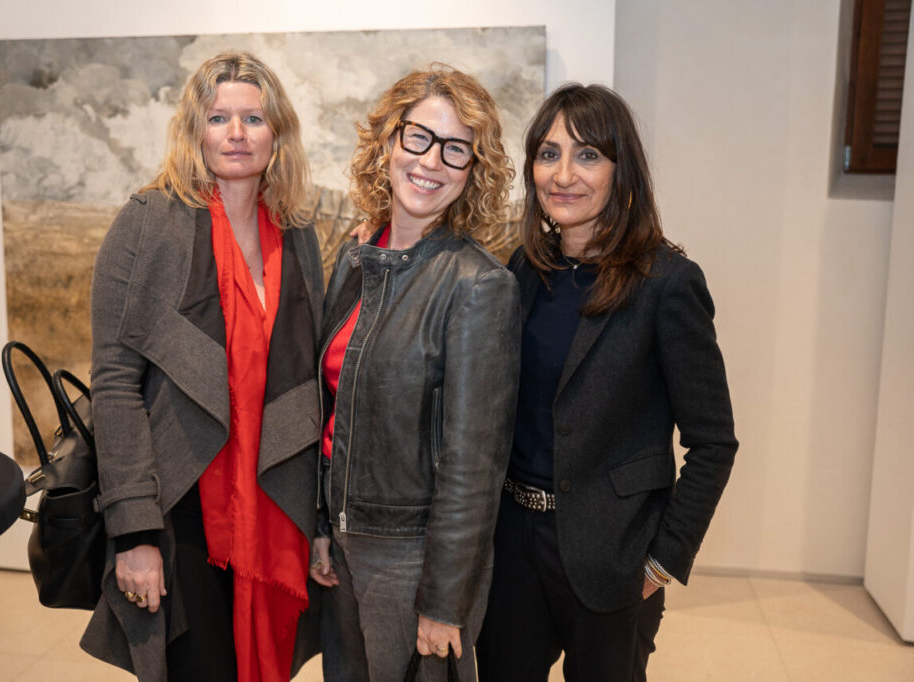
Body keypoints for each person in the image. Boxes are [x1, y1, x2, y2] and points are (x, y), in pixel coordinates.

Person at [475, 83, 738, 681]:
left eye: (588, 154)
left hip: (613, 553)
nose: (563, 173)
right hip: (513, 544)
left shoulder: (667, 283)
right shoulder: (523, 269)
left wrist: (663, 561)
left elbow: (714, 442)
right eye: (548, 153)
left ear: (623, 170)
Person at [79, 51, 324, 682]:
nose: (237, 133)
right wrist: (133, 532)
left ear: (279, 134)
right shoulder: (148, 223)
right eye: (219, 117)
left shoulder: (296, 231)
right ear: (196, 130)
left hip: (275, 502)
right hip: (180, 509)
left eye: (253, 118)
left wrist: (320, 518)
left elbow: (312, 381)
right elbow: (113, 382)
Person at [309, 65, 521, 682]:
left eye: (457, 149)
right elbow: (333, 413)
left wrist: (445, 602)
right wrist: (323, 525)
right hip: (345, 549)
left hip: (413, 559)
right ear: (388, 142)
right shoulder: (356, 259)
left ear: (472, 169)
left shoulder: (479, 285)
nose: (432, 161)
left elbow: (473, 468)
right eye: (419, 137)